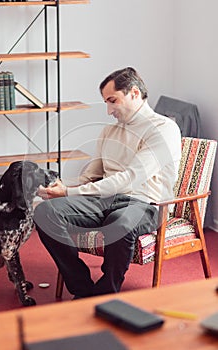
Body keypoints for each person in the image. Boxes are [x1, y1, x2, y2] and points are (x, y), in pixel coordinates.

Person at [34, 67, 181, 299]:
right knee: (44, 213)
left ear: (134, 92)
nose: (109, 110)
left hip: (146, 204)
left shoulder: (164, 129)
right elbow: (91, 175)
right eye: (105, 102)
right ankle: (82, 288)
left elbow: (129, 179)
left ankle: (105, 293)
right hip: (103, 200)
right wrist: (58, 187)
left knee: (119, 223)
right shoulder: (109, 131)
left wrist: (70, 192)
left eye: (113, 101)